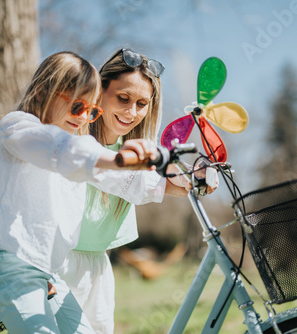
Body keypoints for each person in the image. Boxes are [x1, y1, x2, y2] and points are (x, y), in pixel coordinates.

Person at [0, 51, 161, 334]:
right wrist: (117, 158)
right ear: (44, 92)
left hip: (46, 274)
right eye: (77, 107)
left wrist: (173, 182)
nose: (84, 117)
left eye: (92, 111)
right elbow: (56, 148)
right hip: (6, 267)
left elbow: (115, 179)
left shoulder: (76, 143)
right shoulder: (17, 127)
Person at [58, 48, 217, 334]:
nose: (132, 112)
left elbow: (173, 186)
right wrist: (170, 180)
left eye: (142, 103)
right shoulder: (76, 139)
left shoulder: (134, 150)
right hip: (57, 263)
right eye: (123, 98)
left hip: (98, 265)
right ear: (99, 90)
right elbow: (130, 180)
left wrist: (200, 179)